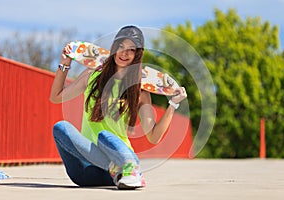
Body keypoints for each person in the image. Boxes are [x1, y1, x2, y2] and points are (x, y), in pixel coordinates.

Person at [49, 25, 187, 190]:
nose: (124, 53)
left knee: (104, 136)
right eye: (120, 46)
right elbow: (56, 97)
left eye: (131, 49)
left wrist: (173, 104)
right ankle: (114, 168)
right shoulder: (92, 76)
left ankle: (129, 168)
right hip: (86, 171)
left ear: (137, 54)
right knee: (60, 128)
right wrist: (65, 63)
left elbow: (153, 136)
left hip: (122, 165)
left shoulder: (139, 91)